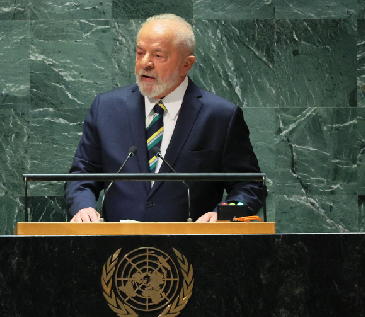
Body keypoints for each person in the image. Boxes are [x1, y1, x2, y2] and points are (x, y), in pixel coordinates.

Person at [65, 14, 264, 223]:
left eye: (158, 56)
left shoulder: (220, 116)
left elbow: (250, 186)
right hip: (118, 249)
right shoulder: (106, 108)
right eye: (140, 53)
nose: (145, 63)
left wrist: (223, 214)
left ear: (186, 65)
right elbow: (81, 176)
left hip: (193, 247)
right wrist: (83, 207)